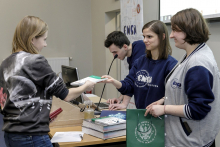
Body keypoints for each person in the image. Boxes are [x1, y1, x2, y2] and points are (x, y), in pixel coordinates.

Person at [0, 16, 95, 147]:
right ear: (32, 39)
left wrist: (40, 115)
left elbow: (6, 103)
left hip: (11, 136)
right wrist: (86, 86)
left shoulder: (6, 62)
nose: (45, 44)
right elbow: (66, 95)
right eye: (44, 39)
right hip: (32, 137)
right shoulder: (35, 61)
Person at [145, 8, 219, 147]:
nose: (171, 35)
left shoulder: (198, 62)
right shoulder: (192, 54)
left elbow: (198, 109)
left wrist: (165, 108)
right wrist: (163, 100)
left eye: (175, 30)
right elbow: (183, 89)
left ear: (189, 29)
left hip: (192, 141)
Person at [101, 20, 177, 110]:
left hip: (161, 118)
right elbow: (129, 86)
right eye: (144, 36)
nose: (145, 40)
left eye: (149, 36)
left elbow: (174, 95)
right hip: (141, 114)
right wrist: (114, 82)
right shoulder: (140, 61)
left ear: (162, 37)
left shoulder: (171, 64)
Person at [104, 31, 146, 106]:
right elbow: (131, 83)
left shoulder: (141, 49)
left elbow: (133, 81)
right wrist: (120, 99)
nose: (114, 56)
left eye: (115, 52)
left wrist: (124, 103)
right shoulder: (130, 57)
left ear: (125, 47)